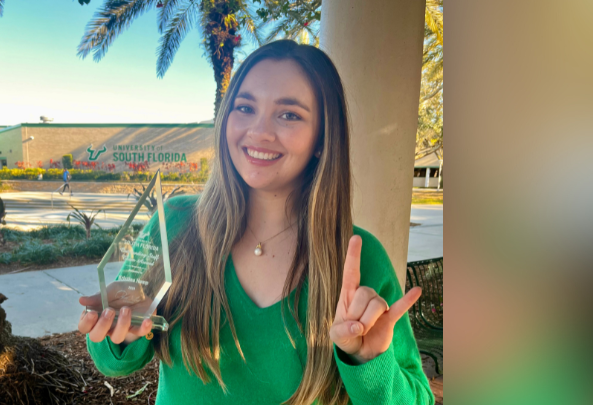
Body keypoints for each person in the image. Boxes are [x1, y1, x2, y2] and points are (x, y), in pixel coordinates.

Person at [77, 40, 433, 405]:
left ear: (322, 139)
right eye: (245, 107)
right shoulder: (175, 225)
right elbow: (115, 359)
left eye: (289, 114)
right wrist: (117, 333)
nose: (259, 131)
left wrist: (369, 361)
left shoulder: (357, 259)